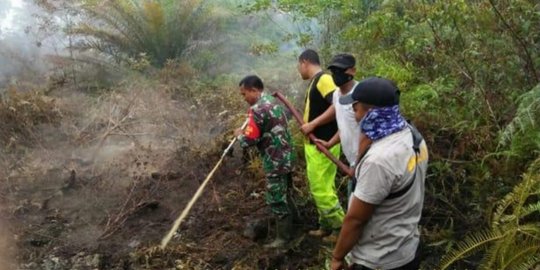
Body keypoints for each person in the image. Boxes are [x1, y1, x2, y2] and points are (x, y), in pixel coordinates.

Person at [330, 77, 429, 270]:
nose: (353, 113)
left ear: (371, 113)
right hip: (407, 247)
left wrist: (337, 257)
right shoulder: (413, 136)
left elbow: (356, 220)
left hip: (379, 259)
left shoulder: (379, 160)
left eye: (355, 108)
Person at [234, 75, 295, 248]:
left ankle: (283, 239)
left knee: (276, 198)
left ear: (254, 90)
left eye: (244, 94)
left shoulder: (258, 109)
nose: (244, 98)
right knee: (286, 192)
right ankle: (295, 226)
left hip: (275, 160)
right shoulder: (273, 102)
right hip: (287, 156)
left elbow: (249, 140)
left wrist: (240, 135)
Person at [297, 49, 344, 240]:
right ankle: (326, 225)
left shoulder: (324, 79)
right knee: (323, 187)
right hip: (315, 145)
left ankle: (341, 229)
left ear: (305, 62)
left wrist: (313, 124)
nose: (299, 70)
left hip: (322, 144)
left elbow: (338, 105)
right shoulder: (315, 82)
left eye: (299, 65)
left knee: (321, 189)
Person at [314, 54, 372, 206]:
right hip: (353, 163)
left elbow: (369, 132)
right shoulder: (336, 95)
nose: (336, 75)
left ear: (352, 71)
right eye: (333, 71)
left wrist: (358, 163)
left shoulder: (361, 95)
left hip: (367, 162)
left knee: (360, 209)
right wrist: (329, 143)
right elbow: (344, 126)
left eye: (340, 71)